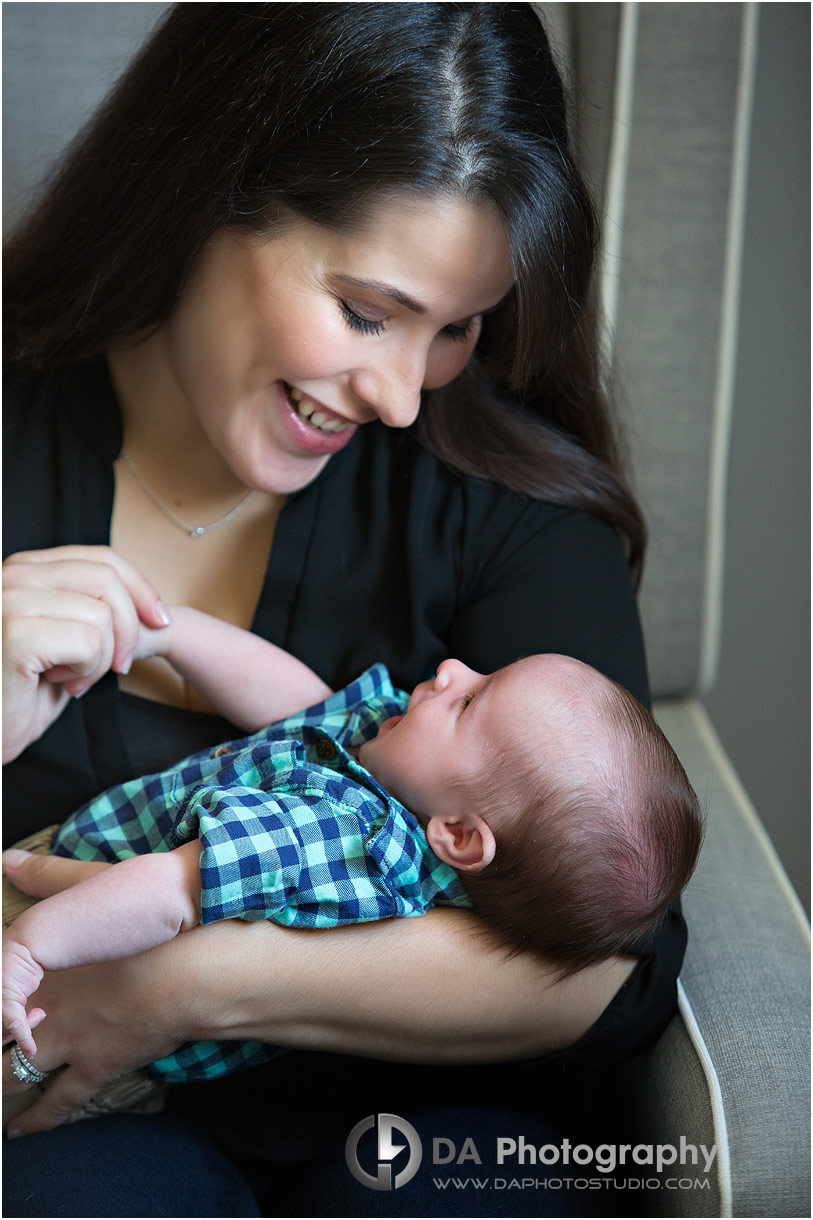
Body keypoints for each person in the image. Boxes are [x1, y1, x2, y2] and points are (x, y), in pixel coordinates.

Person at [2, 4, 689, 1216]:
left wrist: (191, 981)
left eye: (456, 328)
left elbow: (616, 959)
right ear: (204, 194)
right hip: (69, 1113)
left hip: (423, 1114)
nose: (401, 396)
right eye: (369, 311)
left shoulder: (507, 509)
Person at [3, 609, 703, 1078]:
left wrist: (29, 949)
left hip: (70, 948)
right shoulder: (395, 754)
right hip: (78, 895)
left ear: (457, 835)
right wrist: (170, 632)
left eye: (468, 701)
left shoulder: (344, 844)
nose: (453, 668)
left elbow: (169, 894)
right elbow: (296, 706)